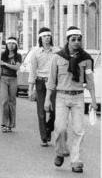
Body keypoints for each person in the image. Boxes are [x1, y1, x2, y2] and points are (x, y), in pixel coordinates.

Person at [46, 26, 96, 173]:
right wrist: (47, 99)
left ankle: (76, 160)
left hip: (78, 97)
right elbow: (51, 81)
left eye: (79, 39)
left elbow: (90, 81)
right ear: (67, 40)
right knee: (60, 128)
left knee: (79, 130)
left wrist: (93, 100)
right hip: (61, 97)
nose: (76, 42)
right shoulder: (57, 57)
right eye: (73, 39)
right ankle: (60, 151)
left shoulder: (86, 59)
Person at [28, 27, 58, 146]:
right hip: (40, 82)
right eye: (45, 36)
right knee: (41, 111)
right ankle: (44, 138)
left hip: (53, 83)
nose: (47, 38)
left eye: (49, 36)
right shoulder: (35, 52)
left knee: (55, 110)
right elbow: (32, 71)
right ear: (40, 38)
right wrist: (30, 89)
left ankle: (48, 128)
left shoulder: (56, 51)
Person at [0, 37, 22, 133]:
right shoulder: (3, 54)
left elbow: (16, 67)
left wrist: (5, 64)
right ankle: (4, 123)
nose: (11, 45)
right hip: (3, 79)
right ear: (6, 45)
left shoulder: (18, 56)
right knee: (4, 101)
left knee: (12, 101)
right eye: (9, 43)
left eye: (13, 43)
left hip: (13, 79)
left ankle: (11, 124)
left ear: (16, 45)